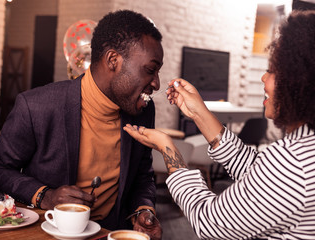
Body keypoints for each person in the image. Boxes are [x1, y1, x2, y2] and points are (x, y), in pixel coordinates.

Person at [123, 10, 315, 239]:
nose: (263, 78)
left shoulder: (294, 163)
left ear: (299, 83)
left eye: (272, 71)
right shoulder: (304, 148)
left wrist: (168, 148)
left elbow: (209, 223)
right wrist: (199, 112)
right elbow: (255, 170)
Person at [0, 9, 162, 238]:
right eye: (150, 70)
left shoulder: (143, 111)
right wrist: (44, 195)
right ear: (113, 60)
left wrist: (144, 209)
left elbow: (142, 175)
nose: (156, 83)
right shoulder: (36, 106)